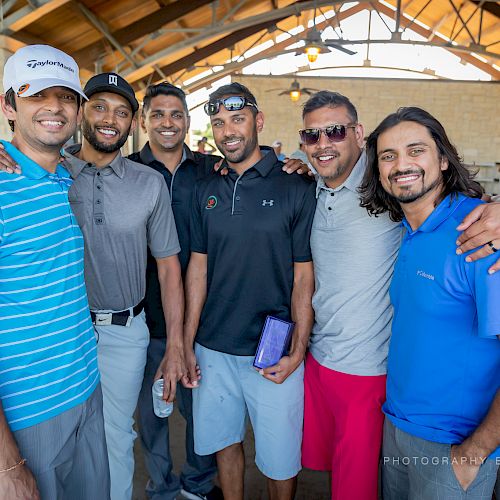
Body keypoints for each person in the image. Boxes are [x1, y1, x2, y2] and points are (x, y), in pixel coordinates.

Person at [183, 83, 316, 500]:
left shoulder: (295, 185)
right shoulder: (208, 188)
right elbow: (197, 270)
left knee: (279, 458)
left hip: (272, 352)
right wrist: (186, 343)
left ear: (258, 122)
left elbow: (303, 279)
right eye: (218, 123)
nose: (227, 131)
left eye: (237, 119)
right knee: (225, 443)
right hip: (214, 348)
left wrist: (299, 348)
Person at [359, 106, 500, 499]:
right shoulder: (408, 231)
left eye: (415, 150)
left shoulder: (479, 234)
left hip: (456, 445)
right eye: (388, 156)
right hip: (398, 427)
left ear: (442, 159)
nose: (401, 164)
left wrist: (476, 452)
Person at [0, 44, 109, 500]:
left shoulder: (63, 177)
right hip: (30, 412)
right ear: (8, 106)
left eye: (66, 96)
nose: (54, 107)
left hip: (86, 387)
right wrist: (7, 465)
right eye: (36, 94)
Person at [299, 91, 402, 500]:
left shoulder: (387, 184)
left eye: (335, 131)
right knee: (330, 471)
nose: (323, 144)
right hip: (319, 359)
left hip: (367, 370)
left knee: (355, 487)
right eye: (311, 136)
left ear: (358, 133)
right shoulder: (311, 188)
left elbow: (447, 200)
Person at [128, 82, 222, 500]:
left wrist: (295, 164)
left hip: (203, 318)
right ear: (144, 120)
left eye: (177, 114)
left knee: (201, 410)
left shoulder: (212, 170)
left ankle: (197, 487)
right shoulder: (123, 169)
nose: (168, 123)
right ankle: (163, 488)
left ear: (187, 120)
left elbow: (261, 178)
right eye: (159, 114)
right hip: (146, 318)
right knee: (152, 416)